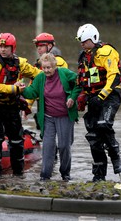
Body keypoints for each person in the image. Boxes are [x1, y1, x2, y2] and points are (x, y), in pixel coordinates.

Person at [0, 33, 41, 180]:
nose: (3, 49)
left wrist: (52, 75)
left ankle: (18, 175)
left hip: (10, 104)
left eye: (6, 46)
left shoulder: (20, 63)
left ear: (12, 48)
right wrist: (15, 89)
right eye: (0, 46)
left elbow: (37, 74)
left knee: (16, 139)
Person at [17, 53, 81, 181]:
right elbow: (32, 92)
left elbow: (78, 83)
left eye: (49, 68)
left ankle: (65, 174)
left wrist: (72, 98)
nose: (46, 70)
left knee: (64, 146)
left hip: (64, 116)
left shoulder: (64, 73)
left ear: (54, 66)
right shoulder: (41, 78)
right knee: (48, 146)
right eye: (44, 68)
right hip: (48, 117)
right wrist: (22, 89)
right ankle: (45, 175)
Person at [75, 23, 121, 182]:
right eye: (81, 42)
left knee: (104, 124)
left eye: (85, 41)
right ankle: (98, 175)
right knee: (94, 137)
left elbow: (114, 77)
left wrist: (101, 96)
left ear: (93, 39)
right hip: (93, 98)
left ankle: (115, 157)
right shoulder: (83, 57)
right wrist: (82, 95)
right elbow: (82, 79)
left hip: (109, 95)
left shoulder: (106, 52)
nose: (82, 45)